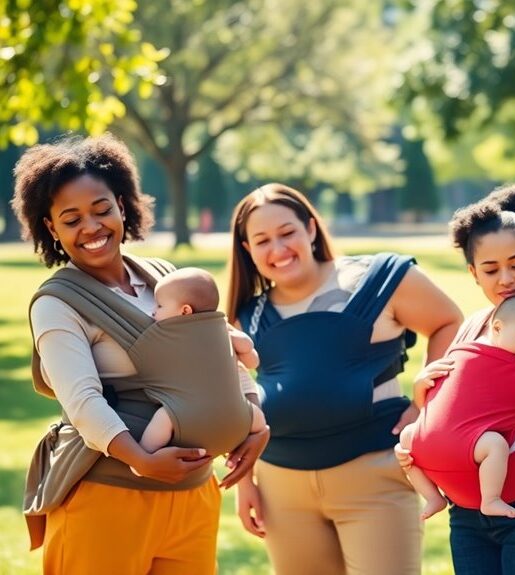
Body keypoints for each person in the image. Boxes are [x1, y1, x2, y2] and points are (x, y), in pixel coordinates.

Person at [14, 134, 268, 574]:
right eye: (71, 219)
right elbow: (82, 401)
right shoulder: (57, 303)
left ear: (122, 204)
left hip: (191, 495)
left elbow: (216, 356)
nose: (91, 228)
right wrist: (141, 459)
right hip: (106, 495)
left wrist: (252, 417)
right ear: (51, 228)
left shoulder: (167, 279)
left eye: (101, 209)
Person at [226, 183, 462, 575]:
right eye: (262, 240)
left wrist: (426, 405)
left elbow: (448, 322)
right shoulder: (245, 316)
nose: (279, 249)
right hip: (282, 489)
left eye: (288, 233)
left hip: (375, 478)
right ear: (248, 250)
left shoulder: (380, 278)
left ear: (311, 229)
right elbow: (240, 400)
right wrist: (245, 481)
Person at [396, 184, 515, 575]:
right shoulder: (472, 327)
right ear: (473, 273)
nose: (506, 278)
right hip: (467, 506)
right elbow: (457, 406)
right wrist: (423, 390)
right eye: (490, 269)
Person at [399, 295, 515, 520]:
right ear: (498, 328)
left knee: (410, 437)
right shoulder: (498, 363)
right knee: (493, 445)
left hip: (456, 441)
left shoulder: (462, 351)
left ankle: (467, 498)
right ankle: (442, 497)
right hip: (450, 440)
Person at [133, 268, 267, 466]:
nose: (153, 311)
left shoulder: (169, 337)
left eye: (159, 306)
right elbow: (252, 361)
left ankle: (144, 459)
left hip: (187, 416)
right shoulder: (220, 328)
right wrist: (243, 347)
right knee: (258, 418)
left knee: (163, 418)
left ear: (185, 311)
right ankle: (261, 429)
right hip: (236, 417)